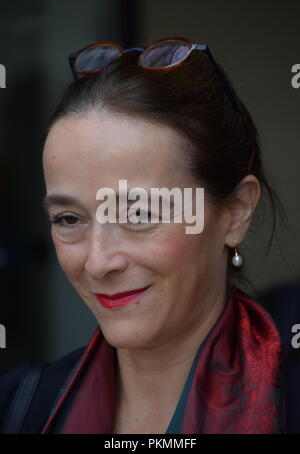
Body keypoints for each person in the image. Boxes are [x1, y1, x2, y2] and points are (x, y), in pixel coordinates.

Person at [0, 37, 286, 434]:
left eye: (138, 213)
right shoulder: (20, 408)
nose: (97, 262)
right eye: (68, 219)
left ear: (235, 213)